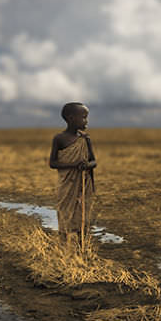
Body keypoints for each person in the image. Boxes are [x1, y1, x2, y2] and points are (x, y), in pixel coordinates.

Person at [49, 102, 97, 248]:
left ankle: (83, 245)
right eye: (83, 117)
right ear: (71, 118)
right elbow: (53, 163)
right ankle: (63, 245)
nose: (86, 121)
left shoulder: (85, 139)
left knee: (83, 213)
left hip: (83, 183)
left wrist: (86, 165)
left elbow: (93, 161)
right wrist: (73, 165)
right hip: (66, 184)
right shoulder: (59, 139)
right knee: (65, 211)